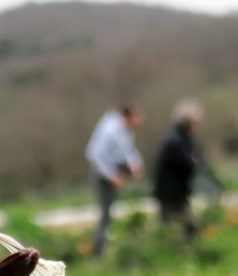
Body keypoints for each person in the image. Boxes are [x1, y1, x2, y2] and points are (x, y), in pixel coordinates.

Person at [152, 99, 216, 242]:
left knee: (178, 226)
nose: (198, 125)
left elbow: (196, 160)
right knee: (177, 226)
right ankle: (171, 252)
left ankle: (173, 251)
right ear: (187, 122)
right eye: (196, 122)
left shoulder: (183, 138)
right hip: (171, 193)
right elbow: (190, 164)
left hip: (178, 192)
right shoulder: (175, 141)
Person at [84, 105, 143, 257]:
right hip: (103, 176)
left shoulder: (124, 131)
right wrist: (112, 176)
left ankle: (104, 247)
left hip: (114, 173)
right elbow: (95, 155)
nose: (139, 123)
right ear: (129, 117)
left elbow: (127, 151)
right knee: (105, 214)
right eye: (137, 119)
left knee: (109, 214)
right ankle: (98, 251)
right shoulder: (109, 130)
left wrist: (136, 164)